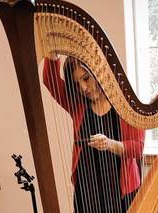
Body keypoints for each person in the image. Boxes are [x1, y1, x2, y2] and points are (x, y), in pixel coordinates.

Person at [43, 56, 145, 212]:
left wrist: (110, 144)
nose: (83, 88)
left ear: (99, 72)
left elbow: (137, 149)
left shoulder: (126, 106)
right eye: (77, 84)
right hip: (86, 190)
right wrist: (52, 56)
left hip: (121, 191)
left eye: (86, 78)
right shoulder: (77, 104)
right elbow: (51, 82)